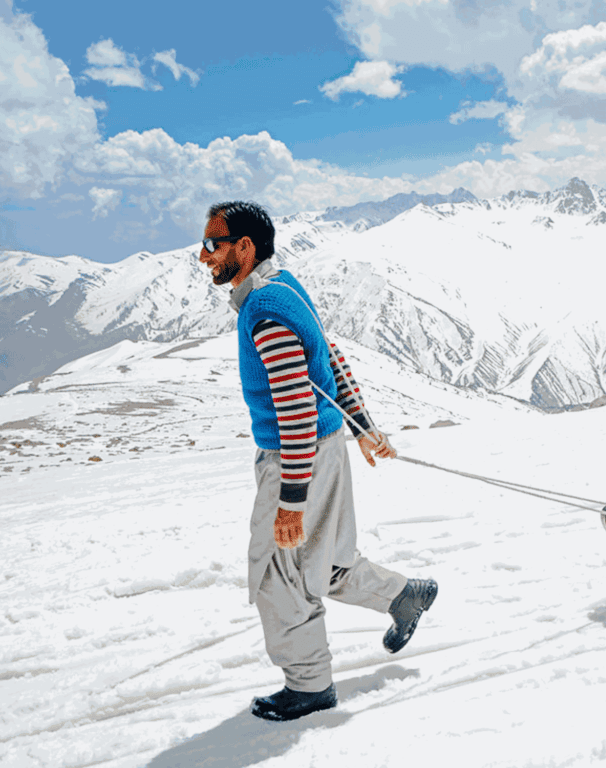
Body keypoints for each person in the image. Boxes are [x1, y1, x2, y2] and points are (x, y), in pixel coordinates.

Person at [199, 200, 437, 722]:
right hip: (323, 448)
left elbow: (296, 411)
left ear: (245, 246)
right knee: (320, 560)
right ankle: (403, 596)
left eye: (214, 244)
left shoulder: (264, 310)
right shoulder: (285, 286)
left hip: (296, 454)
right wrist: (363, 425)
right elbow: (328, 360)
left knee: (276, 572)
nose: (203, 255)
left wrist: (289, 502)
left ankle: (309, 686)